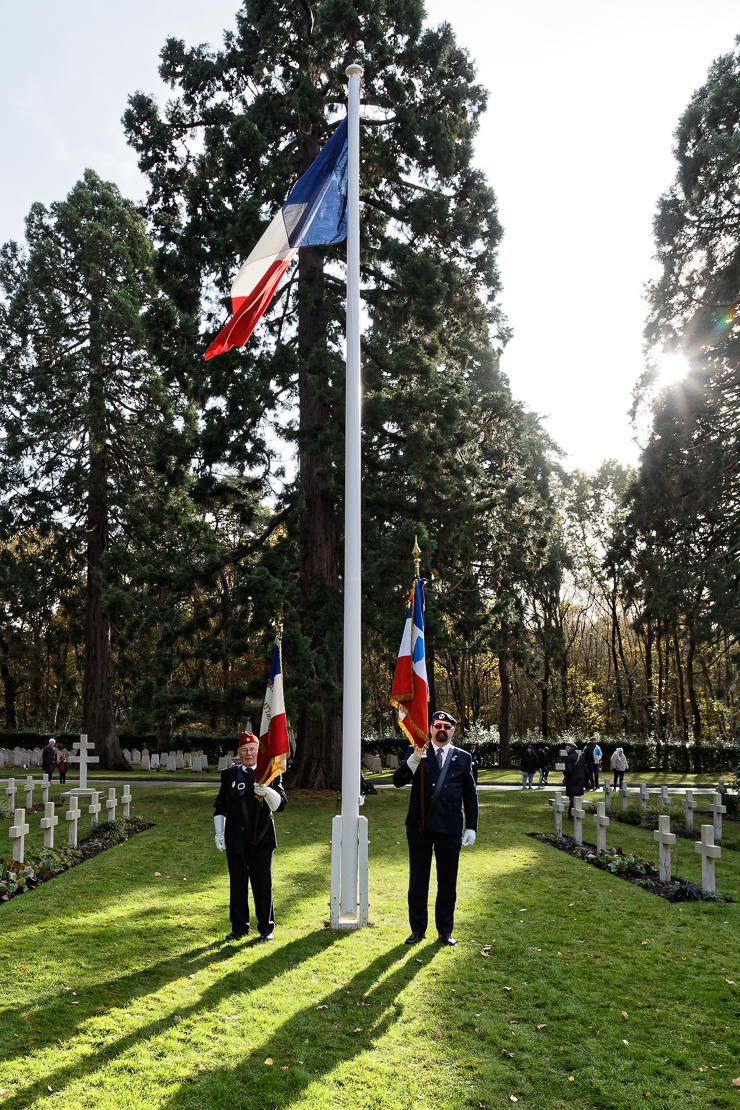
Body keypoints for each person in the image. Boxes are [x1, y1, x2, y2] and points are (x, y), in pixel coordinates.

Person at [393, 710, 478, 947]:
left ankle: (445, 930)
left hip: (449, 827)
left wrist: (471, 826)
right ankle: (417, 929)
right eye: (437, 725)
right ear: (430, 728)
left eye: (446, 726)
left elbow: (470, 795)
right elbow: (398, 781)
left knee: (447, 883)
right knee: (418, 881)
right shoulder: (416, 750)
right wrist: (414, 759)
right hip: (419, 825)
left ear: (453, 730)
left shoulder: (463, 757)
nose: (442, 729)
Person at [213, 731, 287, 942]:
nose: (248, 754)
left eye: (253, 750)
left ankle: (266, 929)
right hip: (236, 838)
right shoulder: (229, 775)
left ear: (258, 752)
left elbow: (280, 805)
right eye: (244, 750)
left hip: (262, 839)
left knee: (262, 884)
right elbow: (220, 808)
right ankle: (239, 927)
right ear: (239, 753)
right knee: (237, 884)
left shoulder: (270, 773)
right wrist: (219, 833)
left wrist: (267, 791)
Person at [563, 739, 585, 817]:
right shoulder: (581, 757)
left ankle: (574, 816)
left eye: (566, 747)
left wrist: (564, 773)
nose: (565, 749)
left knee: (572, 800)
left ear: (570, 748)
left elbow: (569, 771)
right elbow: (585, 770)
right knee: (577, 800)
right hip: (580, 781)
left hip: (572, 781)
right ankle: (570, 815)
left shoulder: (568, 758)